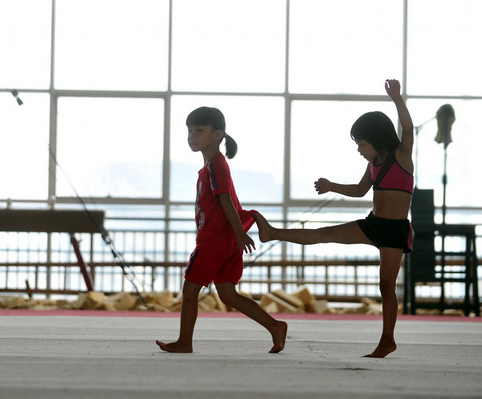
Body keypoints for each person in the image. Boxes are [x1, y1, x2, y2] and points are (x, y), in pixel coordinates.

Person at [254, 79, 414, 358]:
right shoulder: (372, 164)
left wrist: (396, 98)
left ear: (377, 140)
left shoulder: (402, 156)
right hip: (373, 224)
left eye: (362, 144)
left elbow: (408, 128)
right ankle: (273, 232)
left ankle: (387, 339)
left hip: (394, 231)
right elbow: (360, 190)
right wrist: (332, 186)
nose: (359, 149)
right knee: (324, 233)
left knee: (386, 285)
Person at [156, 106, 287, 354]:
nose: (192, 136)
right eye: (189, 131)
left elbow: (226, 199)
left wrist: (240, 232)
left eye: (199, 130)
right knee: (227, 294)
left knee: (190, 289)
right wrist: (236, 234)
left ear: (218, 134)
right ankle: (275, 326)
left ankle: (185, 342)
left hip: (216, 239)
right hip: (225, 239)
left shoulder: (216, 165)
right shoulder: (211, 166)